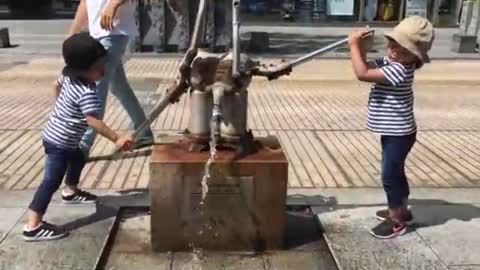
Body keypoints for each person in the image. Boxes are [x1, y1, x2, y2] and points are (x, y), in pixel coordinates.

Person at [24, 33, 133, 241]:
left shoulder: (67, 76)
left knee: (79, 156)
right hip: (60, 144)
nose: (104, 69)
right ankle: (33, 225)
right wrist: (117, 138)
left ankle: (71, 191)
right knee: (50, 181)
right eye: (100, 66)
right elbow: (94, 121)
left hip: (57, 137)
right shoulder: (87, 92)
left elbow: (55, 86)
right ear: (84, 70)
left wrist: (62, 109)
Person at [347, 16, 434, 239]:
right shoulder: (392, 62)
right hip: (396, 132)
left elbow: (362, 73)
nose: (394, 50)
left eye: (403, 49)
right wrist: (364, 46)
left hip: (399, 134)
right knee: (395, 172)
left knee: (390, 175)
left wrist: (354, 45)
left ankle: (396, 221)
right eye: (393, 43)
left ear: (415, 56)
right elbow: (366, 65)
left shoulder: (400, 70)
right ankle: (401, 209)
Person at [60, 0, 154, 158]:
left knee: (96, 88)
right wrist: (73, 34)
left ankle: (83, 146)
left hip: (113, 32)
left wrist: (113, 5)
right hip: (99, 34)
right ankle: (144, 133)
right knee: (118, 87)